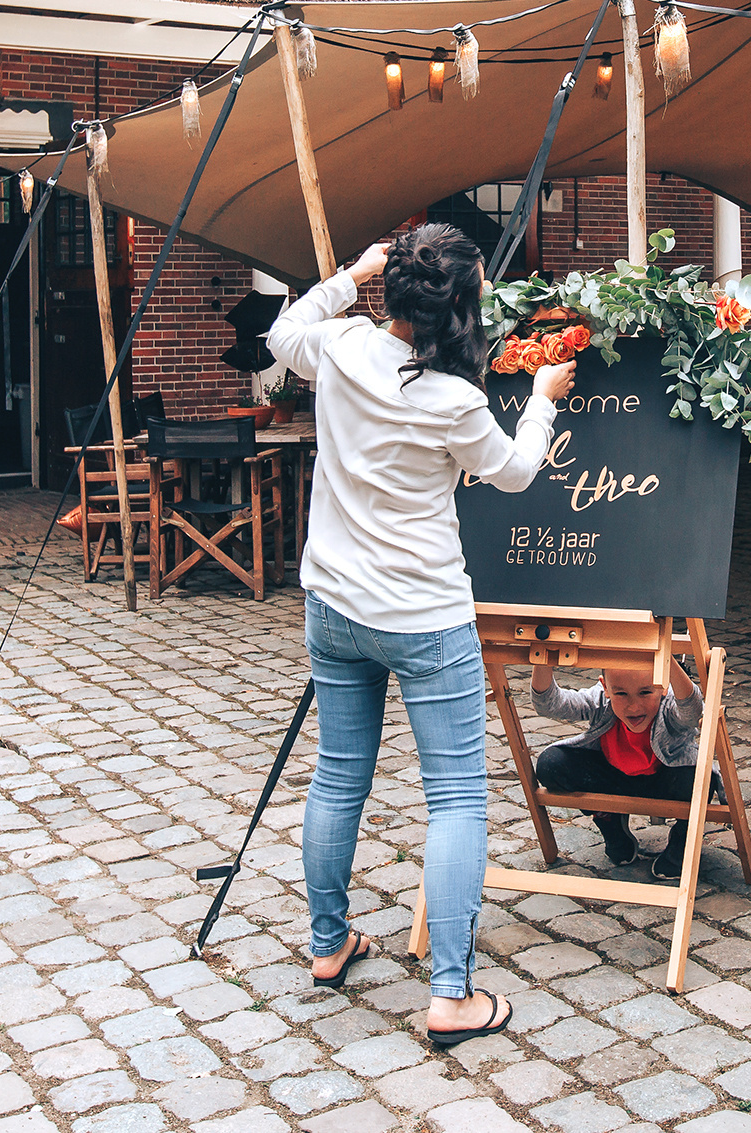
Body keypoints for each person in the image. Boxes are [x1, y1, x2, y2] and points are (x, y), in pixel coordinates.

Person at [267, 224, 575, 1049]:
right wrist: (543, 399)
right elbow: (512, 470)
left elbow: (280, 332)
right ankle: (451, 995)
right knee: (456, 798)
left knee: (337, 780)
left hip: (334, 603)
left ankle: (328, 945)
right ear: (462, 305)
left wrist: (349, 274)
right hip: (423, 615)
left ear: (394, 288)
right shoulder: (454, 398)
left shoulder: (340, 347)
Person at [530, 657, 706, 880]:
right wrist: (543, 657)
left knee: (701, 779)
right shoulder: (601, 701)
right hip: (613, 780)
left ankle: (682, 841)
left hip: (662, 780)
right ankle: (609, 820)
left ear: (663, 686)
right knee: (551, 764)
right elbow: (550, 704)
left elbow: (692, 711)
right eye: (621, 694)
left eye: (645, 692)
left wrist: (668, 660)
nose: (634, 707)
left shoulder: (669, 704)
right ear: (605, 688)